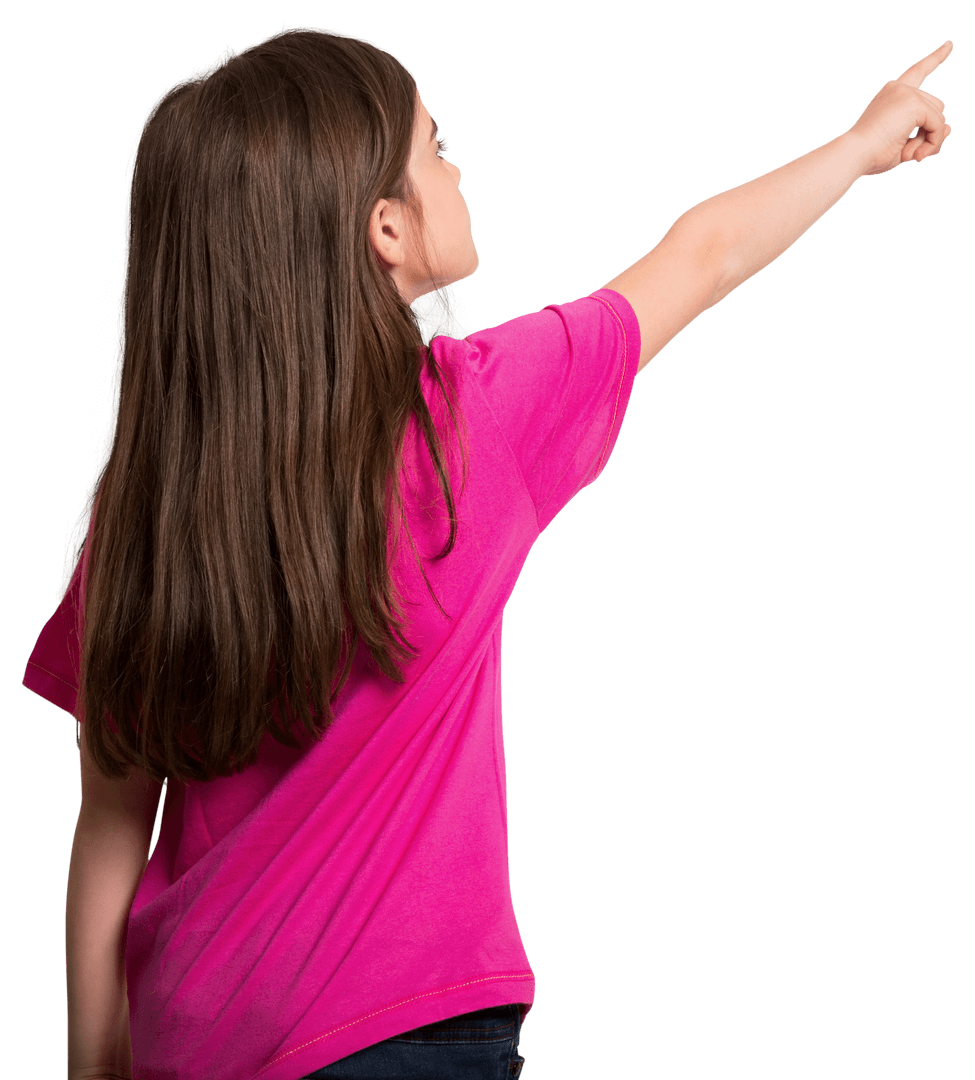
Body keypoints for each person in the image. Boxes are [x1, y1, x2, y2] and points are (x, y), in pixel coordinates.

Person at [21, 24, 951, 1080]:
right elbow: (703, 253)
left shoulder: (143, 514)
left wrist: (92, 1063)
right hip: (398, 1035)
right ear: (385, 228)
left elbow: (108, 826)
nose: (458, 166)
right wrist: (860, 144)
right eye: (437, 147)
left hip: (190, 1043)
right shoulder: (473, 419)